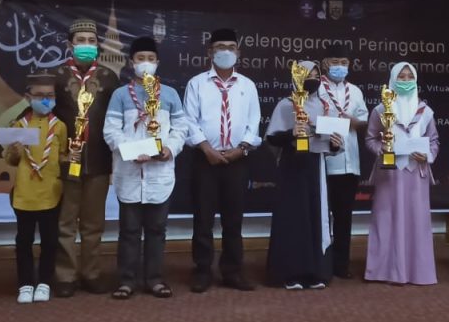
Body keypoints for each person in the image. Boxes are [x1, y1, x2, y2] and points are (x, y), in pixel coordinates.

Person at [103, 37, 188, 300]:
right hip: (129, 172)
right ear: (132, 62)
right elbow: (111, 131)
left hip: (159, 174)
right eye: (141, 59)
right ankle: (126, 280)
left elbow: (181, 129)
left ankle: (155, 279)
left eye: (151, 59)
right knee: (129, 231)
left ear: (158, 62)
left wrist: (169, 148)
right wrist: (130, 151)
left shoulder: (170, 94)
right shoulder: (120, 95)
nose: (146, 63)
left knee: (157, 230)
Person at [183, 28, 261, 293]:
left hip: (237, 159)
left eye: (231, 47)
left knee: (233, 219)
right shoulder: (197, 84)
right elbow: (189, 121)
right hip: (205, 159)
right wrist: (206, 148)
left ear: (238, 52)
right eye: (220, 47)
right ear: (210, 52)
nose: (225, 52)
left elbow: (254, 123)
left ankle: (233, 271)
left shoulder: (247, 86)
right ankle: (202, 270)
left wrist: (242, 149)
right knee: (203, 219)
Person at [51, 18, 121, 297]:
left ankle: (91, 273)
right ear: (70, 44)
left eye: (92, 41)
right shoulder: (55, 76)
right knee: (65, 223)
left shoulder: (109, 77)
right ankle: (65, 275)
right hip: (66, 161)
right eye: (81, 41)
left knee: (94, 224)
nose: (87, 45)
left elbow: (116, 120)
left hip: (99, 161)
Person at [265, 61, 344, 290]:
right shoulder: (285, 104)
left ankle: (316, 272)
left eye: (317, 75)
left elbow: (334, 144)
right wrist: (292, 134)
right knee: (292, 218)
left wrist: (335, 143)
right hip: (291, 167)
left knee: (316, 217)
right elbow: (272, 138)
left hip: (315, 166)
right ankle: (290, 273)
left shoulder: (325, 105)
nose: (313, 79)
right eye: (308, 75)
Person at [364, 62, 439, 285]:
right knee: (386, 220)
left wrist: (427, 155)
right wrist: (382, 149)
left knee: (417, 222)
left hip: (416, 173)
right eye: (401, 77)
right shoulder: (381, 110)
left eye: (409, 77)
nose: (405, 81)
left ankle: (418, 272)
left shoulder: (426, 112)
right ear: (393, 80)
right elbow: (370, 138)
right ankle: (383, 271)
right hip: (390, 174)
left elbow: (434, 141)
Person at [4, 73, 68, 304]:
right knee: (24, 241)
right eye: (40, 96)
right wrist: (15, 152)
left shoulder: (59, 126)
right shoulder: (19, 125)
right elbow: (10, 160)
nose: (45, 100)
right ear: (28, 97)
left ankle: (44, 282)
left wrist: (71, 158)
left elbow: (62, 155)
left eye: (50, 95)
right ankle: (25, 283)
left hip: (51, 192)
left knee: (50, 241)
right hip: (24, 194)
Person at [317, 44, 369, 279]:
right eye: (335, 62)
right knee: (321, 215)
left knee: (344, 216)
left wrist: (352, 122)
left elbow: (363, 121)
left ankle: (341, 264)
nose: (340, 67)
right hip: (324, 161)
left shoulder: (355, 91)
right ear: (325, 63)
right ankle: (321, 262)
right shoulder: (317, 89)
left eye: (344, 63)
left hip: (350, 163)